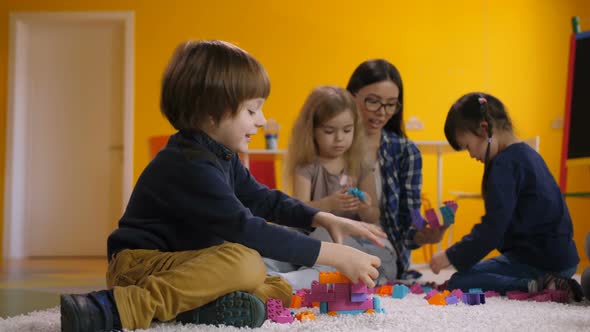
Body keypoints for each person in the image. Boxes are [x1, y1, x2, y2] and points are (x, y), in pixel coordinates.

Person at [59, 40, 386, 332]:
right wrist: (335, 254)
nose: (260, 120)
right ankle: (118, 308)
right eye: (252, 110)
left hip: (185, 263)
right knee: (245, 262)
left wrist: (321, 218)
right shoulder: (188, 165)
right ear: (212, 113)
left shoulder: (221, 156)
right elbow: (246, 228)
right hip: (138, 266)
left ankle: (195, 311)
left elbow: (262, 199)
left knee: (272, 287)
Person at [430, 92, 582, 300]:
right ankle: (547, 281)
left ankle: (537, 285)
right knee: (479, 271)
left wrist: (450, 255)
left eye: (468, 147)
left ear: (484, 129)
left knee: (460, 280)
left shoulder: (503, 164)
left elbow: (493, 229)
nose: (472, 155)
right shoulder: (528, 155)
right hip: (563, 258)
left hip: (540, 262)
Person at [264, 86, 397, 289]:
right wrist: (329, 204)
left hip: (356, 244)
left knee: (336, 246)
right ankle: (271, 275)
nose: (339, 139)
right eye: (329, 131)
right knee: (286, 237)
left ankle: (287, 282)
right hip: (316, 242)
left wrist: (364, 207)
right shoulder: (307, 166)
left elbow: (372, 217)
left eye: (347, 130)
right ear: (312, 131)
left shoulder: (360, 164)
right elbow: (297, 213)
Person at [346, 59, 447, 280]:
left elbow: (407, 225)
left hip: (378, 248)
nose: (383, 112)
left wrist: (424, 235)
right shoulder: (332, 144)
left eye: (391, 104)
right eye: (373, 101)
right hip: (332, 238)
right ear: (350, 97)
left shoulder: (405, 152)